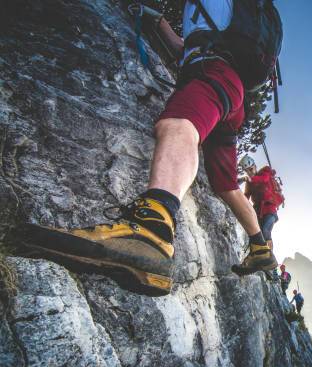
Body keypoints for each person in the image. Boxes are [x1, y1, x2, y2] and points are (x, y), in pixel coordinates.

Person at [25, 1, 281, 295]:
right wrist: (158, 22)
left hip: (212, 73)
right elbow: (186, 48)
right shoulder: (227, 23)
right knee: (226, 186)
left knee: (177, 124)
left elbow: (195, 49)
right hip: (232, 96)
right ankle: (260, 246)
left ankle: (153, 230)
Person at [239, 155, 284, 250]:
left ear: (255, 166)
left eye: (251, 169)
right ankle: (256, 256)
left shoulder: (265, 172)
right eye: (247, 170)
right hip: (257, 212)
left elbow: (264, 179)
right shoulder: (249, 183)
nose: (250, 172)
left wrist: (247, 179)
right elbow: (246, 196)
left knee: (265, 231)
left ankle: (269, 256)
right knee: (256, 235)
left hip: (270, 210)